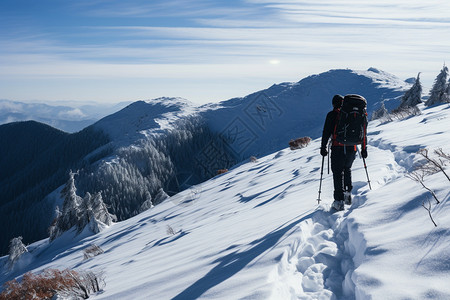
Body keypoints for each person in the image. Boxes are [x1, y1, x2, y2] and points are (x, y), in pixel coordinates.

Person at [320, 94, 368, 211]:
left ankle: (339, 201)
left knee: (337, 173)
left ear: (333, 104)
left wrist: (323, 147)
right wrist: (364, 148)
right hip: (352, 148)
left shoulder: (332, 115)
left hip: (338, 148)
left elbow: (326, 132)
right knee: (347, 169)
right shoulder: (353, 115)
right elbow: (364, 131)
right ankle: (347, 195)